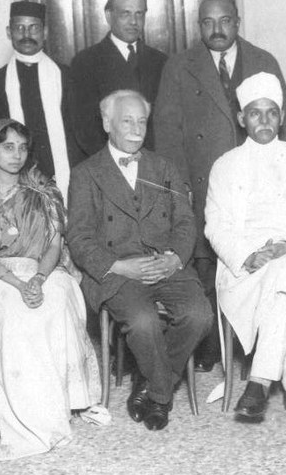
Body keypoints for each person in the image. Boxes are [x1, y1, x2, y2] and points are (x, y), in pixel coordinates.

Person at [153, 0, 286, 369]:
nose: (217, 29)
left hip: (258, 180)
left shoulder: (264, 61)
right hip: (204, 182)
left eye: (225, 21)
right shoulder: (179, 66)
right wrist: (179, 187)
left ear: (237, 22)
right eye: (208, 22)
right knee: (209, 262)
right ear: (199, 25)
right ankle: (212, 344)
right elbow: (167, 134)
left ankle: (258, 345)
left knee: (260, 260)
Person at [0, 119, 102, 461]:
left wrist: (38, 278)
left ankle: (60, 407)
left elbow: (54, 243)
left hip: (42, 268)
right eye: (8, 147)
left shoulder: (41, 189)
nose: (17, 155)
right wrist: (19, 284)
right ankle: (32, 423)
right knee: (18, 314)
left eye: (22, 148)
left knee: (56, 298)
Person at [67, 91, 211, 431]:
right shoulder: (86, 173)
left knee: (199, 315)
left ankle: (150, 384)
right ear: (107, 123)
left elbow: (185, 222)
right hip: (117, 270)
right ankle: (162, 396)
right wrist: (118, 266)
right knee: (143, 322)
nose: (136, 129)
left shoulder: (164, 168)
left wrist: (174, 258)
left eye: (142, 122)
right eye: (127, 121)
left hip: (165, 264)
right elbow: (79, 237)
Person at [205, 73, 286, 423]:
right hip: (243, 266)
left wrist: (284, 247)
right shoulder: (224, 165)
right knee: (282, 291)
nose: (264, 120)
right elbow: (215, 226)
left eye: (271, 113)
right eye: (254, 113)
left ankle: (259, 382)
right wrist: (248, 255)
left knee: (283, 274)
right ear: (241, 118)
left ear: (281, 118)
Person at [0, 1, 80, 196]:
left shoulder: (66, 75)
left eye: (33, 27)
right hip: (17, 175)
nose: (26, 34)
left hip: (64, 172)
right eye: (19, 28)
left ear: (45, 32)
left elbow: (78, 133)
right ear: (9, 32)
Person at [70, 0, 169, 156]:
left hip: (153, 162)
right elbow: (84, 127)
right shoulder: (85, 62)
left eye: (139, 14)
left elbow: (167, 123)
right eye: (125, 14)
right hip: (108, 162)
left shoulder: (161, 61)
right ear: (109, 16)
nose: (134, 22)